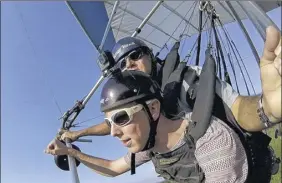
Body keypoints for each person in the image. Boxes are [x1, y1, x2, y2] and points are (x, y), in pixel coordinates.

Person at [45, 70, 276, 183]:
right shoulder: (151, 145)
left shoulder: (212, 142)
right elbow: (113, 168)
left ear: (153, 109)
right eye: (110, 124)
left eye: (121, 118)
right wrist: (73, 153)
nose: (113, 132)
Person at [59, 26, 281, 141]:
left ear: (151, 56)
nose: (130, 65)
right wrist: (78, 135)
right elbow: (112, 124)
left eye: (135, 55)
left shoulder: (187, 77)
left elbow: (239, 108)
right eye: (123, 65)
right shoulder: (136, 98)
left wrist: (267, 109)